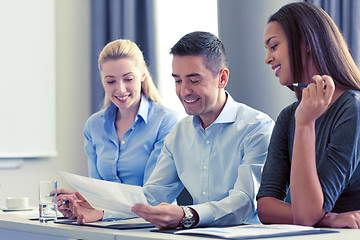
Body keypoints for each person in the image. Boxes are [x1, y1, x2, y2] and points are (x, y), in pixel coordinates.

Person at [63, 31, 274, 228]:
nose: (183, 91)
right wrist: (99, 211)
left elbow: (245, 201)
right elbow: (152, 196)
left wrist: (187, 214)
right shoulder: (180, 133)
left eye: (194, 80)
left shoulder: (256, 128)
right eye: (177, 80)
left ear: (222, 78)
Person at [257, 2, 360, 229]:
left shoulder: (352, 108)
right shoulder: (288, 116)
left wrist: (305, 123)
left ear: (305, 43)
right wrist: (328, 218)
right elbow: (265, 206)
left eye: (273, 46)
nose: (267, 58)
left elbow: (305, 217)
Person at [55, 39, 179, 219]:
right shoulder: (94, 125)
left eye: (128, 79)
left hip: (152, 228)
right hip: (108, 226)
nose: (120, 89)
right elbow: (98, 193)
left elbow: (153, 198)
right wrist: (80, 202)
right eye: (111, 81)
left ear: (143, 74)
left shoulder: (166, 121)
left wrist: (102, 212)